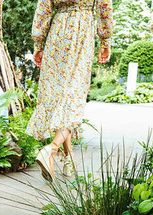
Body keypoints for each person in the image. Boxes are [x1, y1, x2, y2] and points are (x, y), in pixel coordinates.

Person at [29, 0, 113, 181]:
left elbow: (43, 8)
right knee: (74, 96)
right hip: (82, 31)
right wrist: (105, 40)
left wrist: (38, 43)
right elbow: (104, 7)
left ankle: (69, 160)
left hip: (58, 31)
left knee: (60, 95)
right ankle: (50, 150)